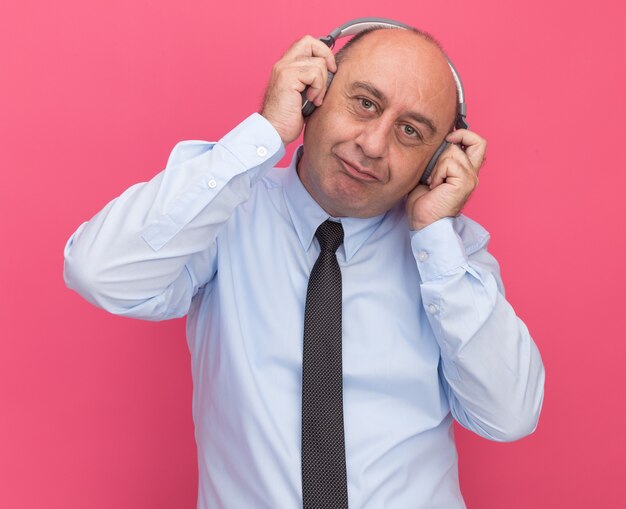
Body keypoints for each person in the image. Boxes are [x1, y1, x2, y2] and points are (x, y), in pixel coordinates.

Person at [64, 22, 545, 509]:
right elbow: (98, 272)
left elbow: (509, 415)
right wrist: (265, 132)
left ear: (435, 159)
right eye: (365, 103)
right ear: (314, 93)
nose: (374, 145)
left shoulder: (448, 257)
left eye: (410, 132)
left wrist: (437, 236)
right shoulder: (228, 210)